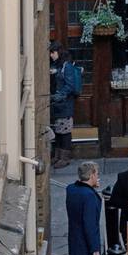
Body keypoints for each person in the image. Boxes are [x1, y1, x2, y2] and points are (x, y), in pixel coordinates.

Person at [50, 42, 83, 170]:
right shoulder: (56, 65)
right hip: (58, 103)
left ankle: (65, 158)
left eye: (53, 52)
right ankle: (58, 156)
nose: (51, 55)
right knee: (58, 130)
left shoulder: (66, 66)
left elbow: (69, 85)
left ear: (59, 52)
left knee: (65, 132)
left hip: (65, 104)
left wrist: (60, 94)